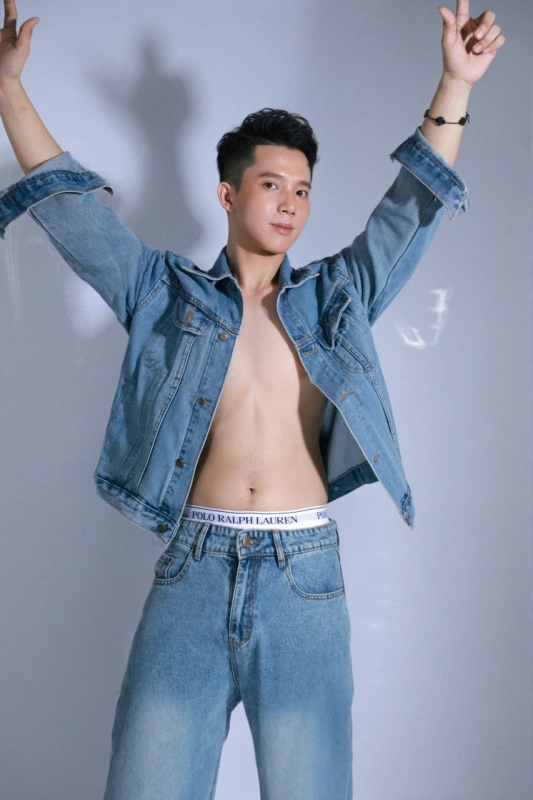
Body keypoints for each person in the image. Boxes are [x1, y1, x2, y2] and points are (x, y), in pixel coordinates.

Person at [0, 1, 504, 797]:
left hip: (303, 577)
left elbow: (409, 208)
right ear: (228, 195)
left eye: (302, 190)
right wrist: (9, 92)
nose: (290, 204)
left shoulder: (336, 296)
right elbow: (77, 217)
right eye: (272, 185)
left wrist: (455, 83)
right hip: (193, 570)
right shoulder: (163, 293)